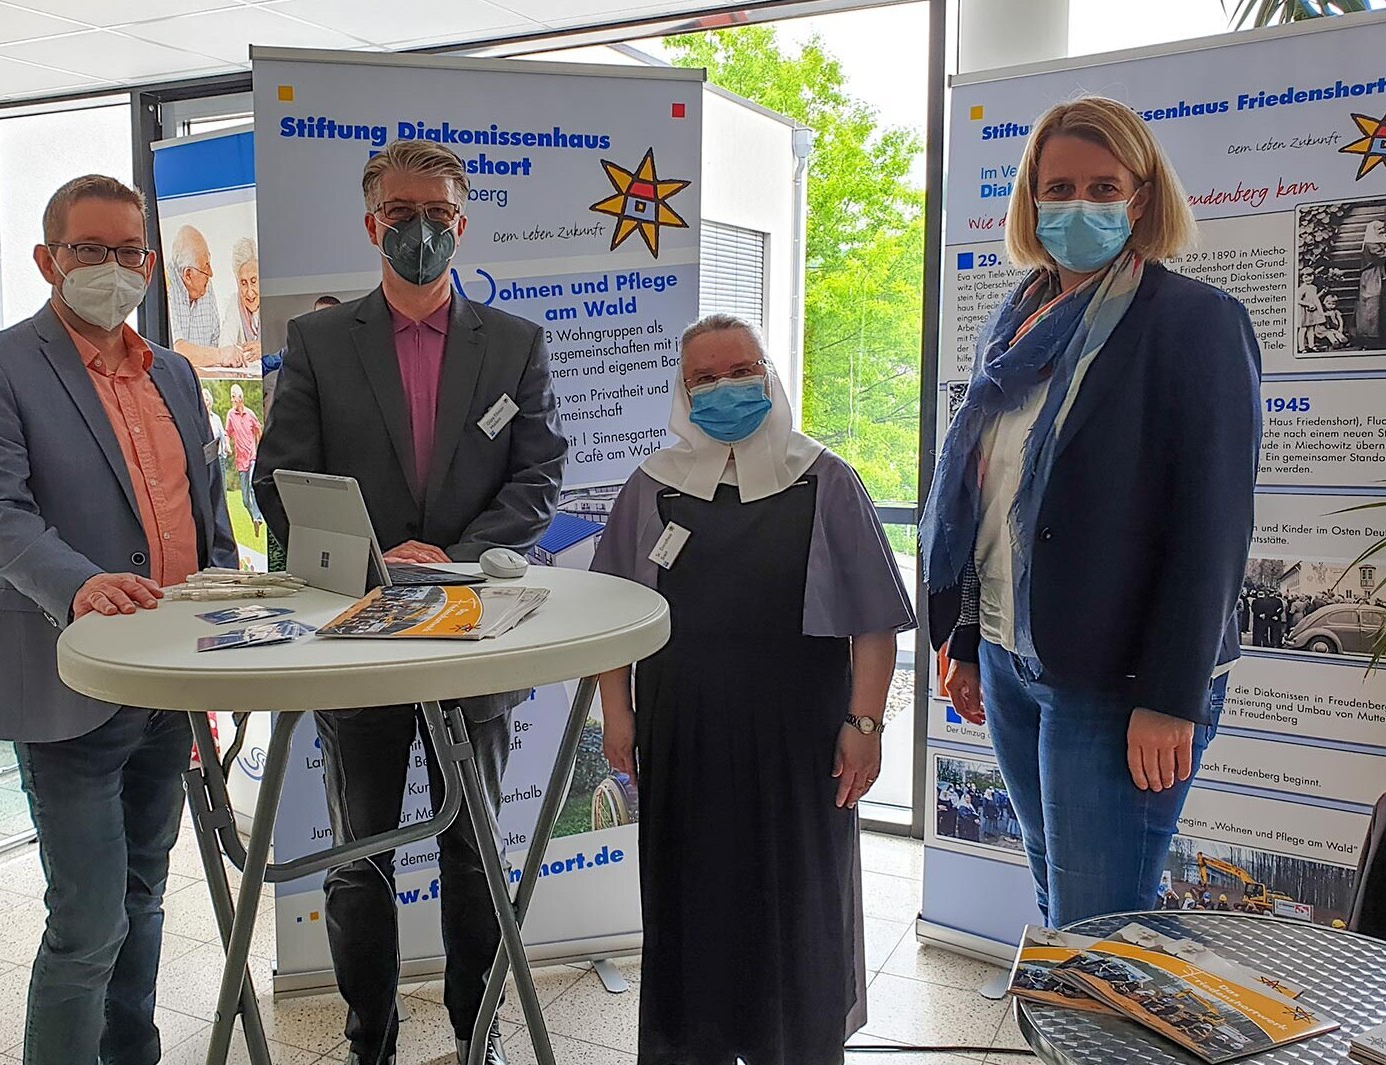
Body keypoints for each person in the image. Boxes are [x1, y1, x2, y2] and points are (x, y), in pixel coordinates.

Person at [254, 139, 566, 1065]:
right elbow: (279, 479)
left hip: (475, 630)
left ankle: (480, 1033)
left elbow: (538, 475)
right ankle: (370, 1041)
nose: (419, 230)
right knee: (361, 856)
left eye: (436, 214)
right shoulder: (318, 341)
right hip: (359, 632)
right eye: (401, 215)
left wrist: (458, 555)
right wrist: (369, 556)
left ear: (462, 222)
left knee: (474, 847)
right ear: (371, 224)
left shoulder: (515, 343)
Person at [921, 97, 1261, 929]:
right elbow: (989, 500)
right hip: (1011, 656)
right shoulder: (1011, 327)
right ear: (1031, 202)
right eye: (1058, 187)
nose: (1077, 205)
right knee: (1056, 899)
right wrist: (966, 638)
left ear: (1139, 197)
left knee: (1100, 921)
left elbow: (1212, 526)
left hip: (1120, 682)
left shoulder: (1193, 322)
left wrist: (1172, 696)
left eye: (1102, 185)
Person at [0, 174, 238, 1064]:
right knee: (87, 923)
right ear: (47, 259)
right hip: (68, 682)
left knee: (145, 897)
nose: (114, 268)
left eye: (129, 252)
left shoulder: (177, 373)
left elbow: (206, 509)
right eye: (91, 250)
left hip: (168, 688)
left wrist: (229, 597)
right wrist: (78, 586)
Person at [591, 315, 913, 1065]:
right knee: (689, 897)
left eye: (740, 370)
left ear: (768, 375)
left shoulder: (823, 478)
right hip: (682, 731)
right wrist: (617, 714)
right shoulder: (651, 488)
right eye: (704, 377)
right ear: (682, 389)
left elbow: (873, 623)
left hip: (798, 737)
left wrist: (863, 724)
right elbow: (612, 616)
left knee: (796, 900)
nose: (724, 387)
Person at [167, 223, 255, 370]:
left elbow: (215, 341)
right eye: (206, 266)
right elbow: (177, 350)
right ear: (188, 274)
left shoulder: (206, 286)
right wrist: (221, 355)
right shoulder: (166, 284)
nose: (211, 273)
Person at [263, 294, 340, 417]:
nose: (322, 322)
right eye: (317, 316)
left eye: (328, 316)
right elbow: (268, 363)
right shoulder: (301, 347)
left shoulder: (350, 348)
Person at [224, 383, 264, 538]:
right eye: (231, 396)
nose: (232, 399)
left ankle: (257, 518)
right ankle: (255, 520)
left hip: (252, 456)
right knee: (245, 499)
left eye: (233, 396)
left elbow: (258, 429)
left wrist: (260, 449)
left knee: (252, 487)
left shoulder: (250, 414)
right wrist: (227, 443)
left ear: (240, 398)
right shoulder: (230, 415)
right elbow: (227, 433)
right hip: (241, 461)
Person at [222, 236, 261, 354]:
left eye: (254, 281)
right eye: (243, 283)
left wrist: (265, 348)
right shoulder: (234, 302)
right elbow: (225, 346)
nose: (249, 292)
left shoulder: (272, 302)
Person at [1359, 218, 1386, 347]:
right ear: (1373, 231)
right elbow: (1381, 256)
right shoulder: (1371, 244)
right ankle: (1370, 336)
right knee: (1372, 303)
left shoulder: (1379, 241)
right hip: (1372, 276)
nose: (1382, 230)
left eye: (1383, 228)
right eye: (1379, 229)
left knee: (1379, 303)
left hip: (1378, 273)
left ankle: (1379, 334)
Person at [1296, 268, 1322, 351]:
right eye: (1306, 277)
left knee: (1311, 328)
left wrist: (1322, 293)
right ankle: (1301, 347)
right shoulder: (1302, 288)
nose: (1309, 279)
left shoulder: (1314, 287)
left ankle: (1311, 345)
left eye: (1310, 276)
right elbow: (1297, 300)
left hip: (1311, 312)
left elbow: (1314, 298)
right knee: (1303, 329)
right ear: (1302, 278)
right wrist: (1308, 304)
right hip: (1304, 311)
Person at [204, 385, 230, 465]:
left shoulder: (216, 418)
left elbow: (222, 435)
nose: (205, 402)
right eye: (203, 400)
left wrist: (224, 453)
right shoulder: (198, 420)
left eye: (207, 400)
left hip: (218, 457)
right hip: (204, 460)